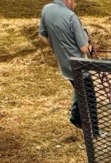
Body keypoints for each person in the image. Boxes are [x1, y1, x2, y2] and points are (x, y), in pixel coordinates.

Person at [39, 0, 96, 130]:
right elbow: (84, 49)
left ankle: (75, 116)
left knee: (77, 87)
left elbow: (41, 36)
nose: (75, 5)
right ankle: (93, 130)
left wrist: (56, 47)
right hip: (80, 67)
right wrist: (88, 41)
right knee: (90, 98)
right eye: (75, 2)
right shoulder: (71, 16)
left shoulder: (46, 9)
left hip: (64, 66)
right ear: (68, 0)